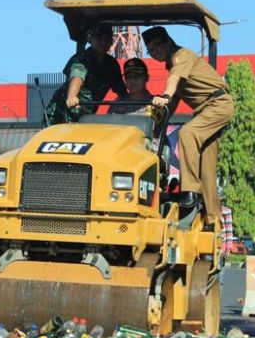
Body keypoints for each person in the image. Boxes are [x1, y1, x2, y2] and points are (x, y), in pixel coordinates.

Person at [144, 26, 233, 230]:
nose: (154, 53)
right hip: (206, 110)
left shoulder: (180, 57)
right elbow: (174, 101)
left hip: (217, 105)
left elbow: (173, 83)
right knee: (207, 167)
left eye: (156, 47)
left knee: (187, 133)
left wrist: (165, 95)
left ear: (167, 42)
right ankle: (213, 220)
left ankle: (190, 191)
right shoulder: (173, 64)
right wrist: (155, 127)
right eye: (150, 50)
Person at [45, 23, 128, 125]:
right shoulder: (81, 58)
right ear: (90, 39)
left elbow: (121, 90)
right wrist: (72, 97)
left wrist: (129, 103)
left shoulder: (112, 65)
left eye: (107, 38)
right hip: (61, 114)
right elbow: (77, 76)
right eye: (99, 38)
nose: (103, 42)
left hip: (87, 116)